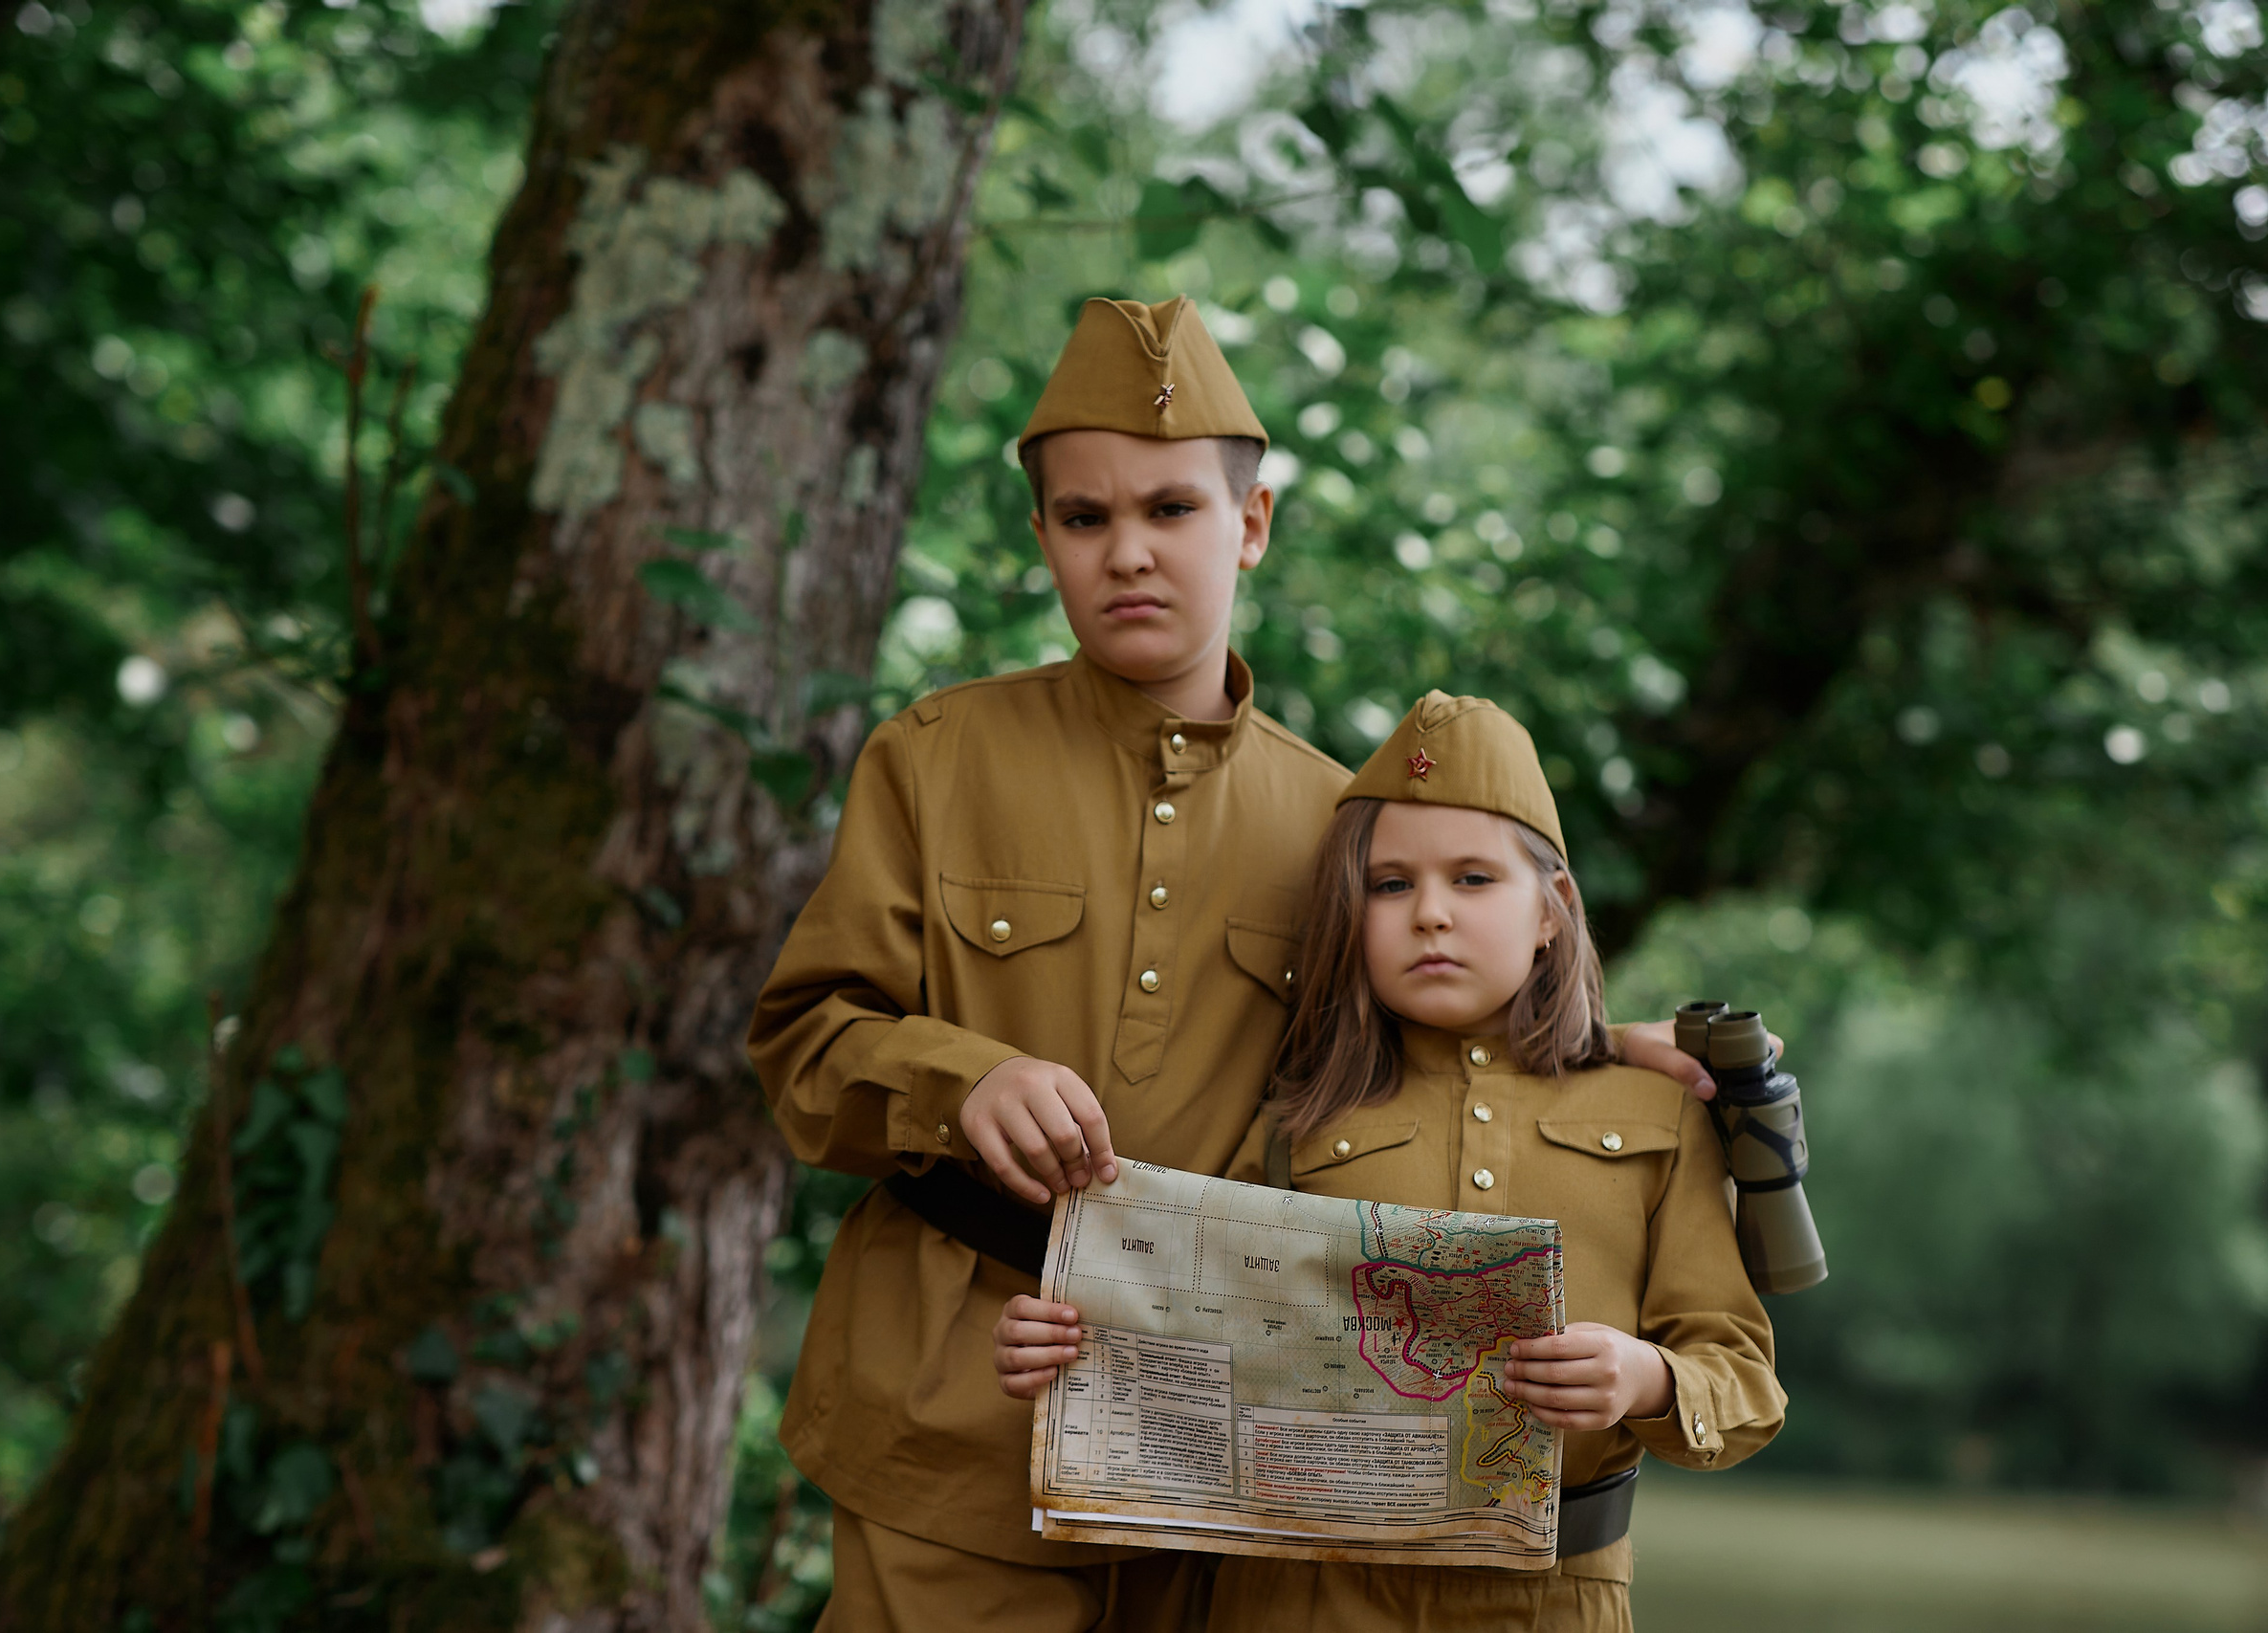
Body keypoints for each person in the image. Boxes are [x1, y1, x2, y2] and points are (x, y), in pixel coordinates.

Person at [752, 296, 1741, 1633]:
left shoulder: (1344, 827)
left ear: (1252, 524)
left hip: (1223, 1447)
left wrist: (1604, 1045)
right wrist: (957, 1075)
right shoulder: (935, 758)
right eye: (1086, 518)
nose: (1129, 553)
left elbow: (1433, 1052)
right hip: (955, 1400)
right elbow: (803, 1049)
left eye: (1172, 509)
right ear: (1042, 535)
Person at [993, 693, 1786, 1632]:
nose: (1431, 915)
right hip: (1302, 1598)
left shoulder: (1658, 1115)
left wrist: (1644, 1378)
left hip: (1552, 1602)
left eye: (1475, 879)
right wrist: (1072, 1346)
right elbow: (1188, 1338)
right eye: (1390, 884)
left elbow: (1743, 1381)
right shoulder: (1299, 1115)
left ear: (1552, 911)